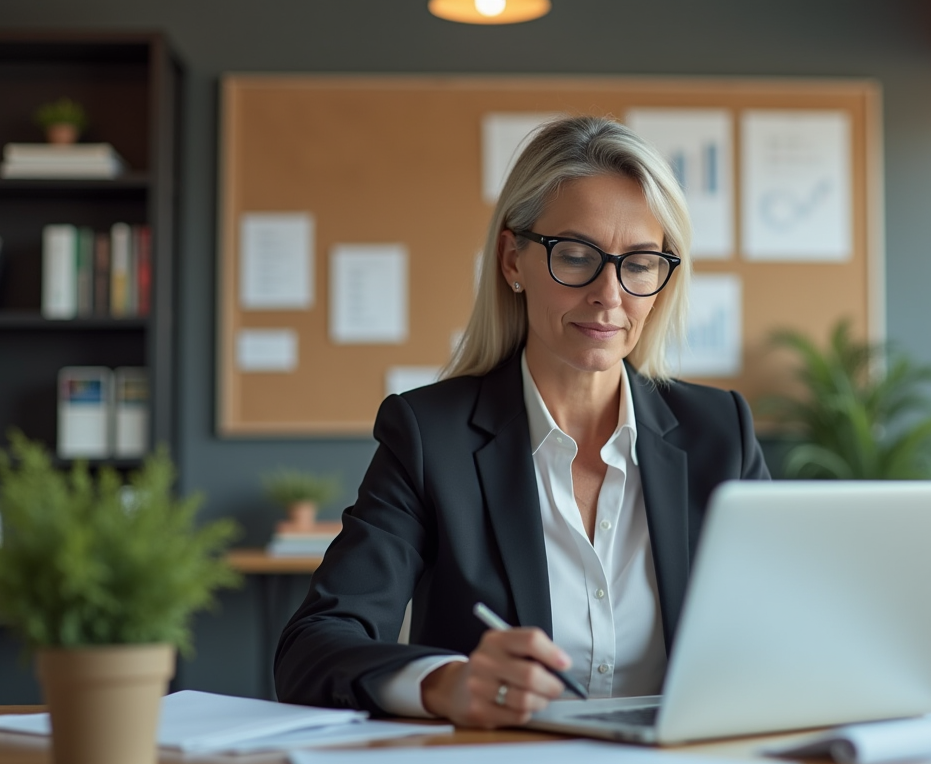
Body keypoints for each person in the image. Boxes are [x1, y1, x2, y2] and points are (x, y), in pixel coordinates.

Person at [275, 116, 770, 728]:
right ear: (514, 259)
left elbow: (785, 625)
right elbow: (313, 646)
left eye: (640, 263)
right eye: (577, 256)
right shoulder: (431, 437)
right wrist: (445, 684)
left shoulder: (720, 432)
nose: (609, 294)